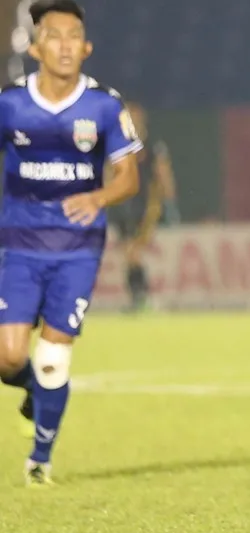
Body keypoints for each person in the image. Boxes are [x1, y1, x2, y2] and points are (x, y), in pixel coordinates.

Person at [0, 0, 141, 484]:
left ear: (87, 48)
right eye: (54, 37)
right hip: (18, 243)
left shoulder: (104, 105)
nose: (64, 46)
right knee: (8, 357)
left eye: (73, 37)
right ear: (36, 48)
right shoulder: (10, 104)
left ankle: (40, 459)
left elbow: (129, 178)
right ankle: (36, 391)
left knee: (53, 356)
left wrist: (98, 197)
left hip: (77, 247)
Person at [107, 102, 177, 312]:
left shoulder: (153, 145)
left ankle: (141, 296)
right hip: (122, 206)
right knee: (129, 254)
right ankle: (139, 297)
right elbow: (109, 172)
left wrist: (169, 198)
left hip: (144, 205)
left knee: (133, 252)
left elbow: (163, 171)